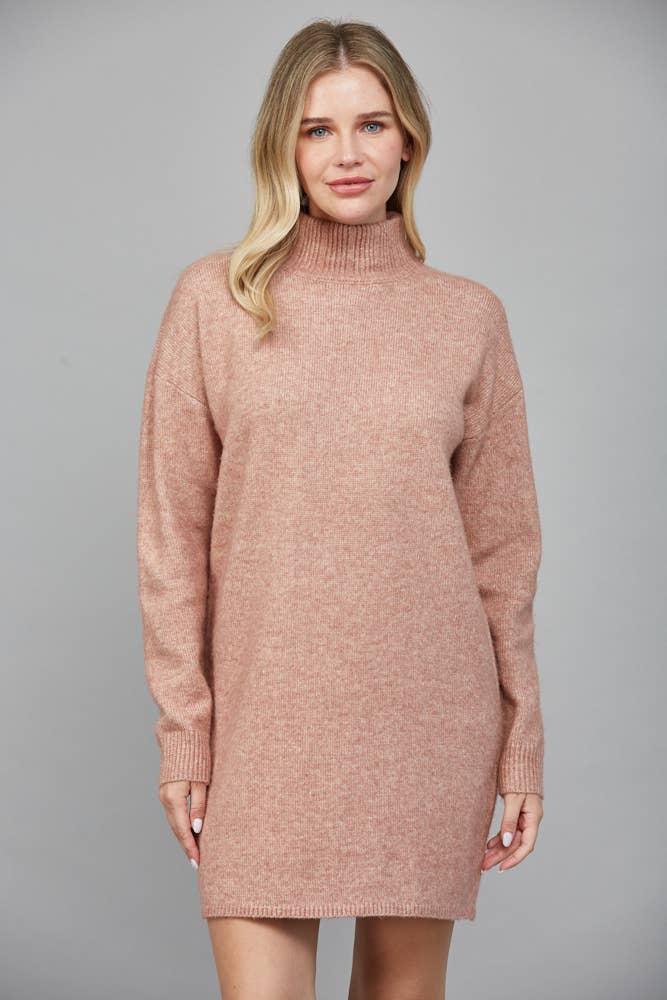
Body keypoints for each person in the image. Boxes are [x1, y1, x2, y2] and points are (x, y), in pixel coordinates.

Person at [136, 17, 545, 1000]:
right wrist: (185, 732)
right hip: (265, 725)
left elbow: (503, 556)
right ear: (282, 146)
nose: (346, 154)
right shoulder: (215, 301)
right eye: (316, 129)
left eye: (371, 124)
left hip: (427, 724)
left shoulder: (467, 316)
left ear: (408, 139)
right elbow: (170, 541)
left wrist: (520, 744)